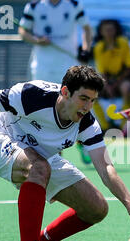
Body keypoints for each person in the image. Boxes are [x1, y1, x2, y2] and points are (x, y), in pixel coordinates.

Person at [0, 65, 130, 241]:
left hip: (40, 157)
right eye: (83, 98)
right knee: (39, 168)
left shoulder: (86, 123)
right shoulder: (31, 94)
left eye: (93, 100)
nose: (88, 107)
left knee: (96, 208)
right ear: (65, 92)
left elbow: (106, 168)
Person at [18, 0, 94, 165]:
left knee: (77, 106)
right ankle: (54, 154)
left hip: (68, 66)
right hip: (42, 67)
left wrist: (86, 49)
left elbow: (87, 28)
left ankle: (83, 143)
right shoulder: (34, 6)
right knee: (47, 109)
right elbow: (23, 31)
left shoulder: (73, 5)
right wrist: (36, 40)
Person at [93, 19, 130, 130]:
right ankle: (104, 127)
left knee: (125, 88)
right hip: (106, 79)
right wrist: (107, 86)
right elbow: (101, 72)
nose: (109, 32)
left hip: (122, 77)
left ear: (116, 31)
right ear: (101, 32)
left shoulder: (123, 42)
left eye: (111, 29)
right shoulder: (98, 47)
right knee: (93, 92)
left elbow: (129, 67)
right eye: (106, 30)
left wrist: (115, 85)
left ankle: (123, 127)